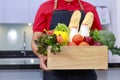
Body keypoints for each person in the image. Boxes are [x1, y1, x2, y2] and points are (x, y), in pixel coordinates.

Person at [31, 0, 102, 80]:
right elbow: (36, 39)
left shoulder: (89, 8)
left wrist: (101, 58)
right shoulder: (45, 7)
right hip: (54, 72)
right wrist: (41, 57)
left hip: (85, 71)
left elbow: (99, 40)